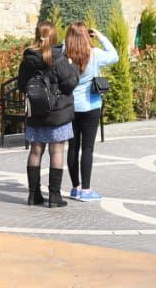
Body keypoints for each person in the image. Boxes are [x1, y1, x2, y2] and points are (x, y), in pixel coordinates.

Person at [17, 21, 81, 208]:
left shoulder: (28, 58)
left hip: (36, 112)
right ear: (53, 37)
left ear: (37, 35)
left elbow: (22, 85)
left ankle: (33, 195)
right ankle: (54, 196)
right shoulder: (58, 58)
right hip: (57, 113)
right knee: (57, 151)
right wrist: (73, 68)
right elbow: (70, 84)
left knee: (35, 151)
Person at [63, 22, 118, 202]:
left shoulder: (65, 55)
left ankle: (75, 187)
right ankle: (86, 190)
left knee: (73, 146)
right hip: (91, 105)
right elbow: (114, 56)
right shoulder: (94, 55)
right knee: (87, 148)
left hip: (70, 106)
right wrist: (100, 36)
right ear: (87, 36)